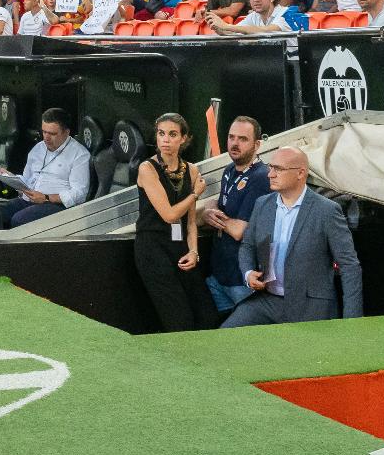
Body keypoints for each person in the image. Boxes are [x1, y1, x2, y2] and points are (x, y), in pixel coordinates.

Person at [222, 147, 363, 328]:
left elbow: (349, 266)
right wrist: (248, 273)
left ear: (300, 173)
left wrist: (353, 322)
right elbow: (248, 245)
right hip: (267, 300)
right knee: (227, 333)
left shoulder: (326, 211)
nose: (270, 174)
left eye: (278, 169)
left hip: (311, 306)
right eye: (270, 167)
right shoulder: (262, 204)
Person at [133, 113, 218, 332]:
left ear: (183, 139)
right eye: (161, 134)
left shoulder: (191, 169)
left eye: (172, 134)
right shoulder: (147, 169)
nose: (165, 140)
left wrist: (194, 252)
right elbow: (170, 215)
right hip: (152, 247)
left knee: (206, 313)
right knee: (179, 318)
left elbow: (190, 221)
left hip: (179, 247)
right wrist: (195, 195)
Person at [0, 108, 91, 231]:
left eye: (52, 134)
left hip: (57, 206)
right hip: (29, 200)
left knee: (19, 219)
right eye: (44, 132)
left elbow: (79, 194)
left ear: (66, 132)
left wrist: (46, 197)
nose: (46, 137)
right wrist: (9, 176)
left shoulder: (79, 154)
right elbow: (28, 180)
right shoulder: (38, 148)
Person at [200, 116, 270, 316]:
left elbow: (239, 230)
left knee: (249, 338)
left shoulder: (261, 177)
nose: (235, 143)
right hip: (220, 275)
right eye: (231, 137)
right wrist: (210, 207)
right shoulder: (229, 170)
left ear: (257, 144)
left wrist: (212, 215)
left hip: (243, 279)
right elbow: (222, 208)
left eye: (242, 139)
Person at [208, 0, 304, 34]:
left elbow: (265, 31)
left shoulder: (288, 13)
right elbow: (234, 32)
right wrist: (219, 29)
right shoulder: (254, 16)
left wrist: (226, 26)